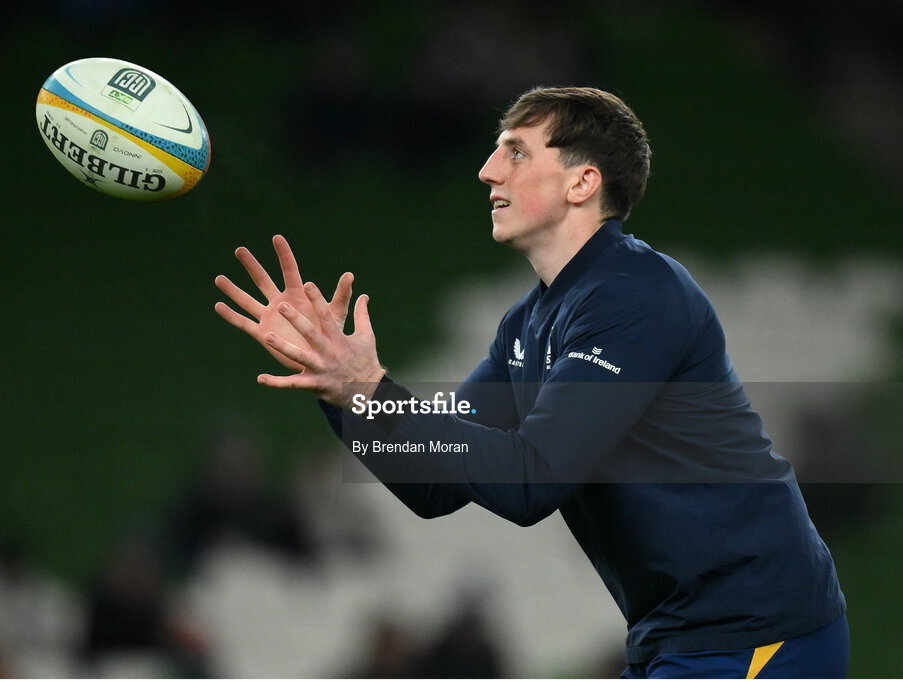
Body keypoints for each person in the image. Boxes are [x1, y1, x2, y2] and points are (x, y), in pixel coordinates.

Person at [214, 87, 848, 678]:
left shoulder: (636, 295)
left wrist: (373, 387)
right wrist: (344, 387)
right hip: (685, 639)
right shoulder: (530, 322)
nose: (489, 170)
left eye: (516, 151)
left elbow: (531, 479)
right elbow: (431, 482)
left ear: (582, 181)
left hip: (759, 634)